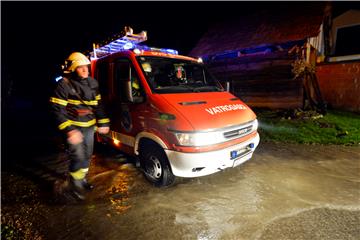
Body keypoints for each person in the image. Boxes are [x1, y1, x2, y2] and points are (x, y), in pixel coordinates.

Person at [50, 52, 110, 200]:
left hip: (89, 127)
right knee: (78, 157)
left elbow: (99, 105)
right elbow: (57, 110)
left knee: (87, 156)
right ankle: (73, 185)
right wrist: (70, 130)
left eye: (86, 67)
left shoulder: (93, 83)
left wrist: (103, 122)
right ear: (72, 69)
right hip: (73, 129)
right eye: (80, 67)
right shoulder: (64, 85)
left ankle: (81, 180)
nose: (85, 70)